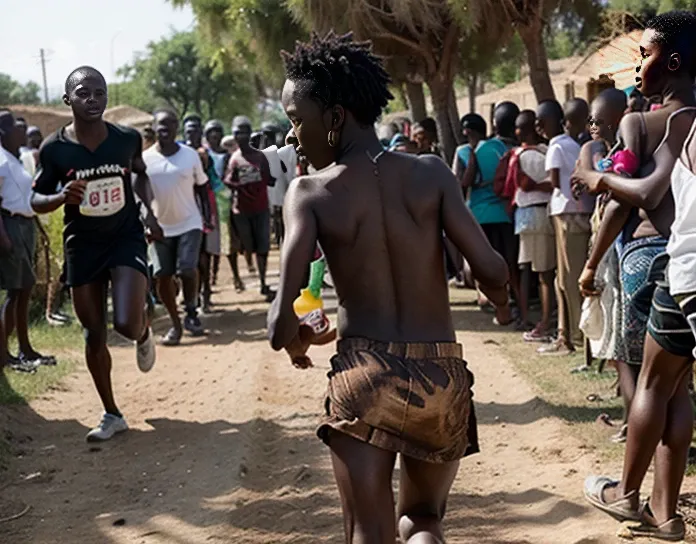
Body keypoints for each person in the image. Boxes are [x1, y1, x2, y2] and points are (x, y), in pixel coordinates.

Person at [268, 31, 510, 543]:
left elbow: (278, 322)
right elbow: (491, 270)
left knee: (369, 533)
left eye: (296, 119)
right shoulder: (432, 174)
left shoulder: (310, 192)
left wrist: (299, 335)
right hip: (441, 377)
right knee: (423, 521)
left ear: (334, 119)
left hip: (365, 376)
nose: (291, 136)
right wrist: (504, 302)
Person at [574, 12, 696, 541]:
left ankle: (626, 495)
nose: (636, 65)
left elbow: (643, 195)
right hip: (675, 264)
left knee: (650, 381)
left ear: (670, 62)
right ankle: (666, 513)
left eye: (644, 54)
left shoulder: (668, 123)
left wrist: (593, 175)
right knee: (677, 386)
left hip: (680, 266)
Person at [31, 66, 160, 441]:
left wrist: (149, 209)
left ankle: (143, 326)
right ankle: (111, 413)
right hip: (82, 244)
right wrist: (60, 197)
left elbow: (139, 174)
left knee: (124, 323)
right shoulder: (54, 149)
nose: (93, 100)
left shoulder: (126, 139)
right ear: (67, 99)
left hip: (124, 237)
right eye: (83, 93)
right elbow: (36, 198)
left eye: (99, 93)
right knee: (92, 333)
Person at [144, 109, 210, 345]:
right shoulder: (146, 159)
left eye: (170, 124)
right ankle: (175, 323)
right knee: (163, 275)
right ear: (154, 127)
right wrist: (147, 220)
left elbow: (202, 186)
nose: (165, 128)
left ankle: (191, 311)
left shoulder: (190, 155)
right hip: (160, 226)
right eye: (161, 124)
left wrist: (207, 215)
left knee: (186, 268)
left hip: (189, 222)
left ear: (176, 129)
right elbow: (140, 193)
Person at [535, 99, 593, 355]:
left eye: (540, 122)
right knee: (566, 276)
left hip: (565, 213)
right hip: (582, 211)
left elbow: (555, 182)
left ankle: (577, 336)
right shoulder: (579, 145)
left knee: (568, 277)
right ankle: (565, 334)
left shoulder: (556, 146)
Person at [0, 111, 55, 373]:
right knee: (14, 292)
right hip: (10, 228)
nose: (22, 131)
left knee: (24, 289)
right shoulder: (0, 161)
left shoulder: (14, 159)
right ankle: (5, 355)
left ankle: (25, 348)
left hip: (24, 226)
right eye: (16, 128)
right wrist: (4, 237)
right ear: (3, 133)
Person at [462, 103, 520, 325]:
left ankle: (494, 304)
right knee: (511, 263)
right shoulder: (517, 149)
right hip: (508, 214)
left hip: (481, 214)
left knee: (487, 263)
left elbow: (466, 182)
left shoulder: (481, 149)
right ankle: (516, 304)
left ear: (494, 124)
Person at [504, 110, 556, 342]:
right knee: (547, 270)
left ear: (520, 131)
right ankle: (549, 315)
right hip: (547, 212)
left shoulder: (518, 155)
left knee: (529, 270)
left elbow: (519, 185)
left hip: (526, 215)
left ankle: (532, 318)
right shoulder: (547, 152)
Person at [225, 116, 276, 302]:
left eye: (245, 132)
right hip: (242, 211)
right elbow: (228, 182)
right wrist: (240, 182)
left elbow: (270, 178)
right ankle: (242, 274)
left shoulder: (260, 156)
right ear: (234, 136)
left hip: (261, 208)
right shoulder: (234, 160)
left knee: (263, 246)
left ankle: (263, 283)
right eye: (238, 133)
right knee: (248, 246)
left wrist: (262, 178)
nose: (242, 136)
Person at [184, 118, 219, 313]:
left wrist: (207, 213)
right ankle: (193, 296)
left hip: (202, 204)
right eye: (189, 131)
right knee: (191, 257)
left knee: (204, 254)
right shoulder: (179, 152)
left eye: (196, 130)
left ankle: (205, 292)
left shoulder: (206, 155)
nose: (193, 134)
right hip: (184, 206)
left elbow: (211, 182)